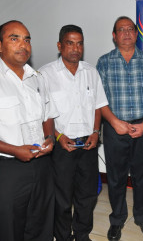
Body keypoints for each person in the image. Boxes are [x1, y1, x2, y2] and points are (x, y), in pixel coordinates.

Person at [0, 20, 57, 241]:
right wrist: (14, 150)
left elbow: (47, 115)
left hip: (42, 163)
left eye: (27, 39)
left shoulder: (37, 78)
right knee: (11, 230)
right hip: (6, 170)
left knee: (42, 225)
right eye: (14, 38)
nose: (23, 45)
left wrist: (50, 137)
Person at [96, 16, 143, 241]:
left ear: (136, 35)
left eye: (130, 29)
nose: (126, 33)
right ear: (114, 36)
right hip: (114, 127)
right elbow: (98, 100)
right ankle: (117, 220)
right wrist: (114, 122)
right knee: (116, 177)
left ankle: (141, 217)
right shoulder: (104, 62)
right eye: (121, 30)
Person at [39, 25, 108, 241]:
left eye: (79, 43)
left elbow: (98, 106)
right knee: (61, 198)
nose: (75, 48)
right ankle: (63, 236)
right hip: (62, 146)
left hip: (88, 144)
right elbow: (44, 114)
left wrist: (96, 132)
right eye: (70, 43)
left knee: (87, 196)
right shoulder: (45, 74)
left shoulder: (91, 72)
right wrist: (58, 137)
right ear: (60, 46)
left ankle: (82, 234)